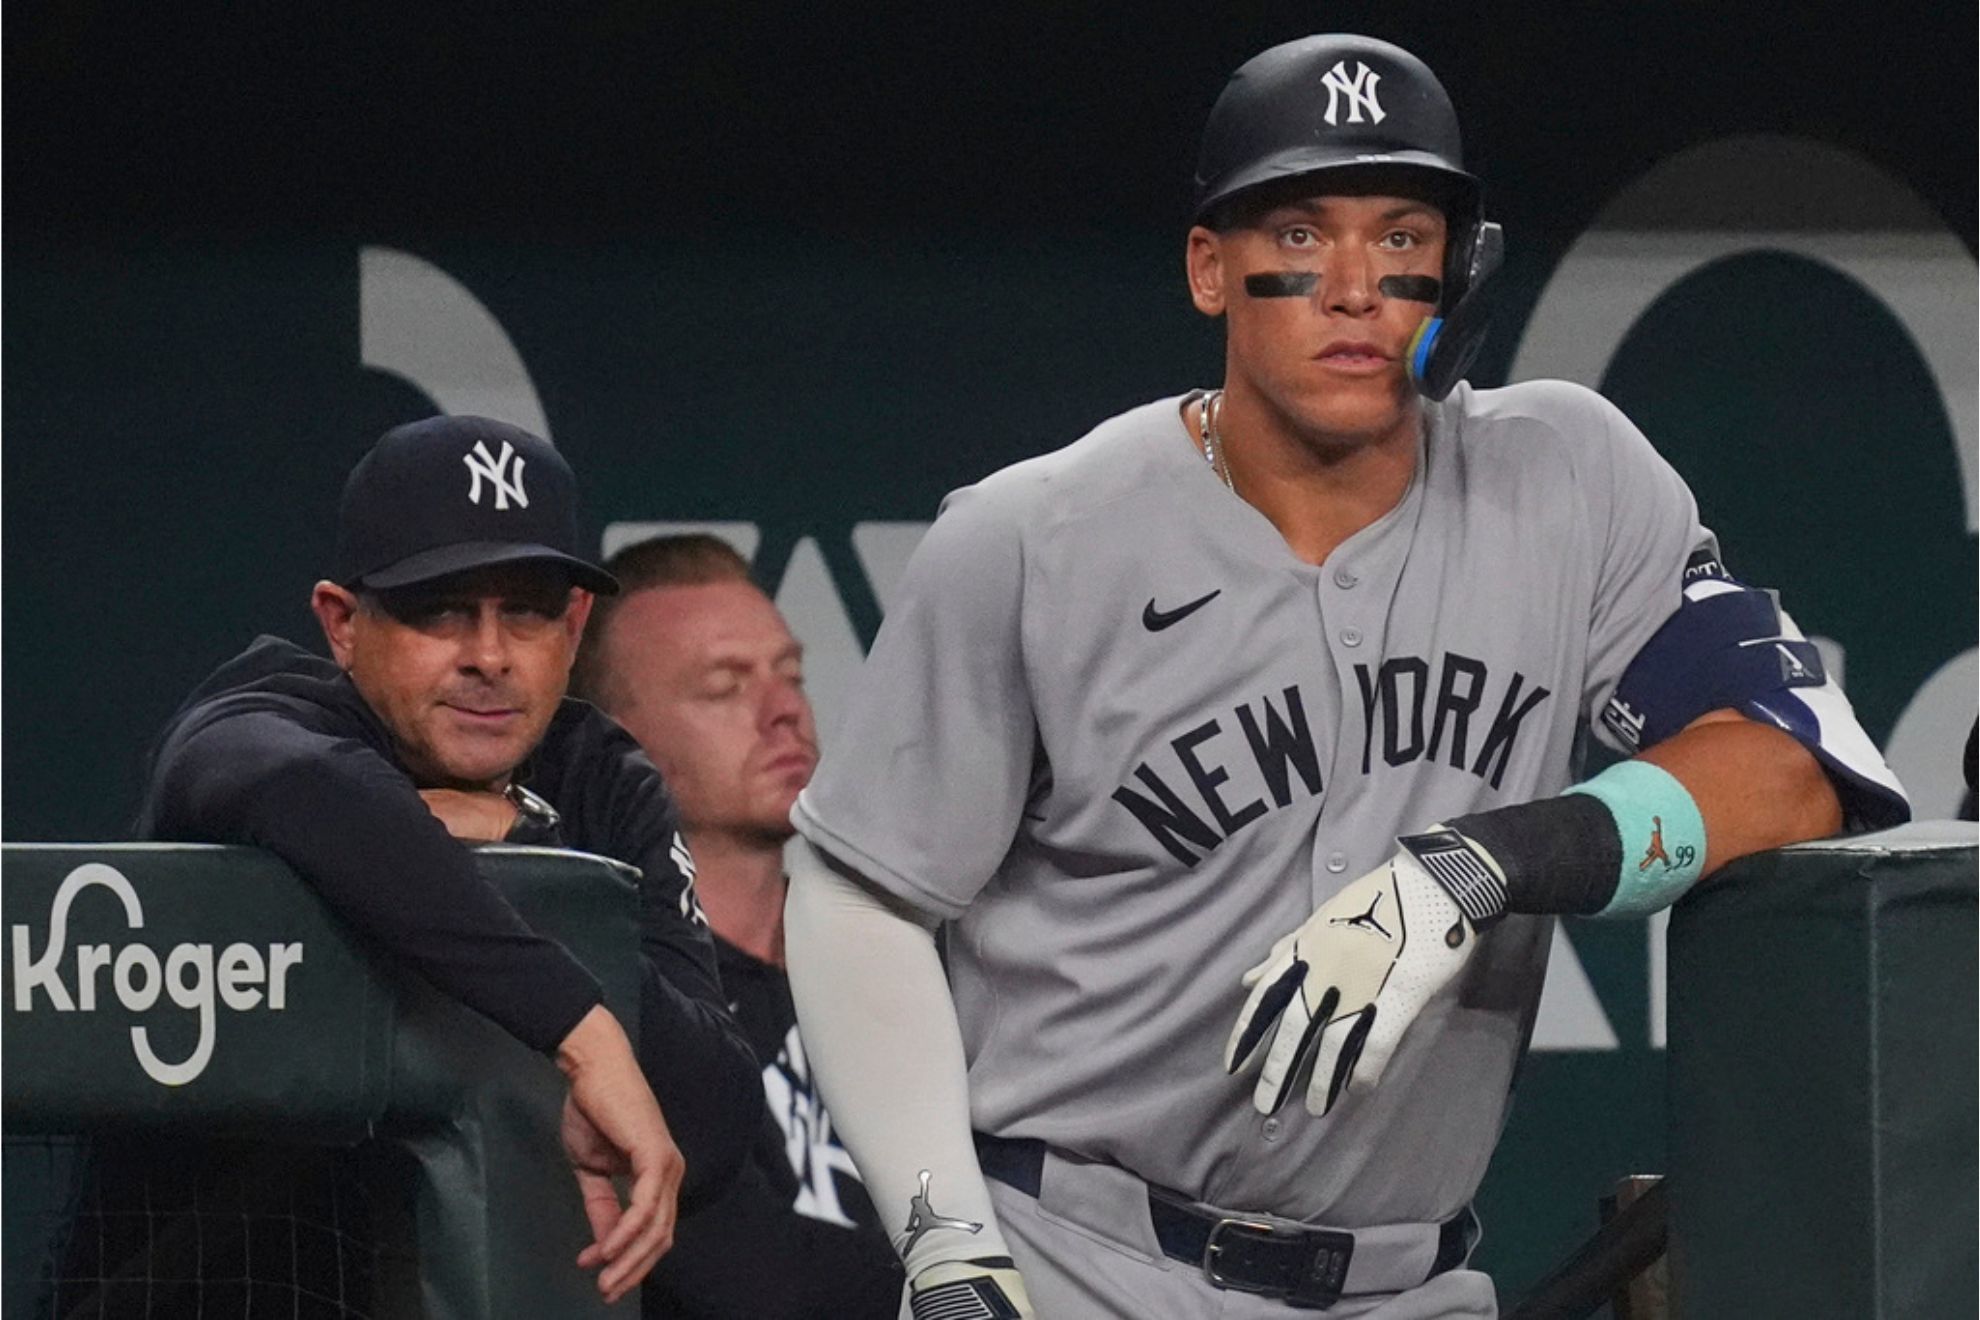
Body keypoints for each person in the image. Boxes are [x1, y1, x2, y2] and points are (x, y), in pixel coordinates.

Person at [779, 34, 1910, 1320]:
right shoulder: (1033, 536)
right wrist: (942, 1239)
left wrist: (1481, 865)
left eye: (1400, 235)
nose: (1357, 286)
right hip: (1084, 1264)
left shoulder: (1568, 481)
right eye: (1303, 236)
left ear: (1460, 272)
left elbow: (1793, 762)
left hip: (1407, 1284)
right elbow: (861, 891)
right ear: (1211, 269)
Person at [137, 415, 761, 1306]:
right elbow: (296, 785)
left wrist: (530, 854)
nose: (490, 657)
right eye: (439, 610)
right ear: (343, 623)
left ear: (576, 624)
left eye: (528, 612)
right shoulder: (264, 721)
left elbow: (715, 1122)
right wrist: (582, 1031)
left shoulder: (599, 784)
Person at [574, 533, 903, 1318]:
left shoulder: (904, 968)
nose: (784, 712)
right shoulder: (610, 1004)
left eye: (790, 674)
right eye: (725, 687)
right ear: (619, 742)